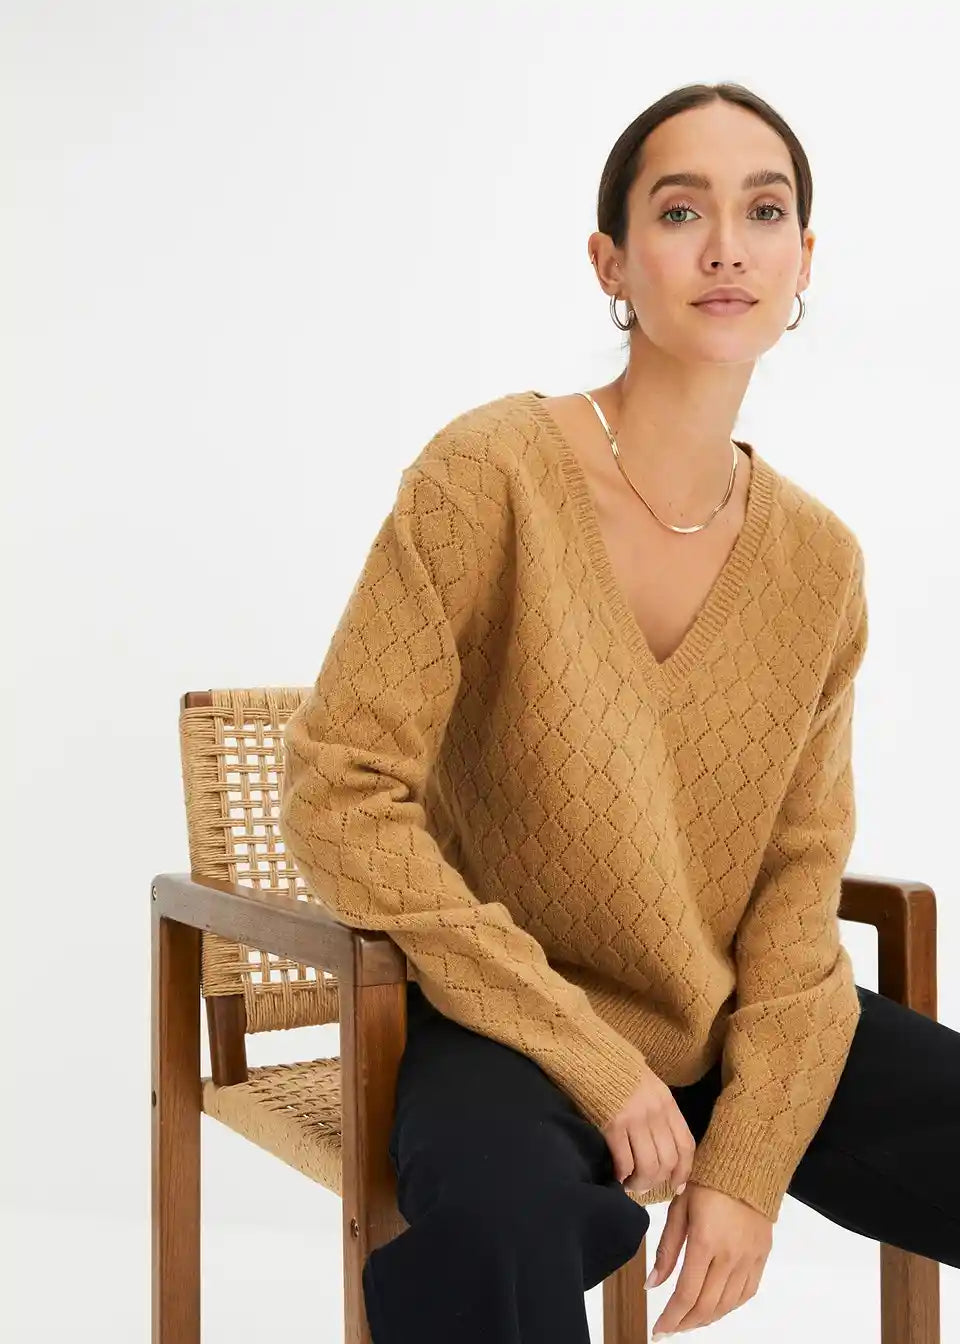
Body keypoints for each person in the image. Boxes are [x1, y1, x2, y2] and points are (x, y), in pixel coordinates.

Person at [279, 81, 960, 1344]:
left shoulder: (820, 562)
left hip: (730, 1026)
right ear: (611, 262)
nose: (726, 247)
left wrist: (747, 1163)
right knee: (503, 1225)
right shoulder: (489, 474)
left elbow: (796, 884)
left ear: (804, 261)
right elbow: (340, 792)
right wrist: (594, 1059)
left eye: (764, 212)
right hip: (503, 1024)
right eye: (680, 211)